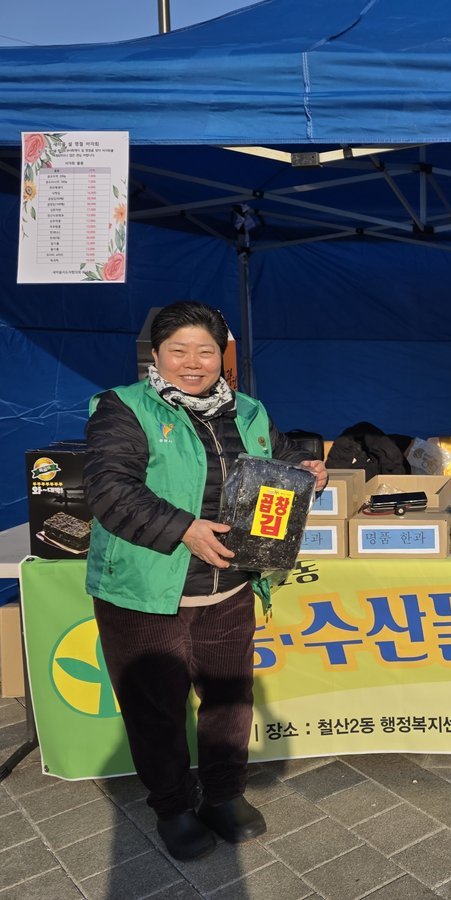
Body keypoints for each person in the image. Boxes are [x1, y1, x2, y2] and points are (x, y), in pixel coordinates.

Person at [83, 301, 328, 861]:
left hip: (230, 586)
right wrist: (184, 530)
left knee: (228, 699)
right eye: (178, 351)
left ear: (222, 356)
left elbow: (278, 458)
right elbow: (109, 488)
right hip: (147, 594)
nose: (192, 363)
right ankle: (172, 806)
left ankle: (223, 794)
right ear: (156, 354)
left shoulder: (249, 410)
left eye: (205, 351)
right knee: (156, 708)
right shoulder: (123, 408)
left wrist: (306, 468)